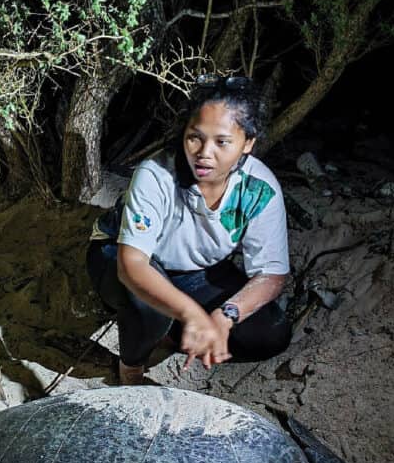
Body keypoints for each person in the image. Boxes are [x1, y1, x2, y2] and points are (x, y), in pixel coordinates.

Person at [87, 74, 292, 384]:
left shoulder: (259, 188)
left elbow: (272, 275)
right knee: (150, 305)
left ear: (248, 143)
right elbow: (132, 266)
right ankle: (130, 368)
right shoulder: (156, 173)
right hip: (120, 255)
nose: (204, 152)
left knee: (270, 333)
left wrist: (226, 316)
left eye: (222, 141)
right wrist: (193, 314)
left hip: (195, 272)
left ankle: (166, 333)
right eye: (195, 137)